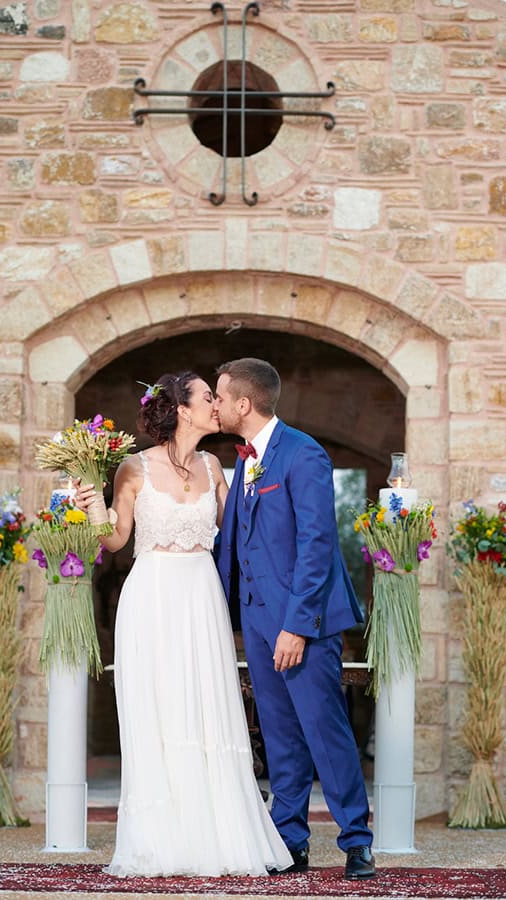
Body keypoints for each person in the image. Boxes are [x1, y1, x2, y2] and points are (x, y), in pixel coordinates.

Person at [76, 372, 292, 878]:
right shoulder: (133, 468)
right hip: (151, 596)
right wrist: (92, 508)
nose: (217, 404)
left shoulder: (215, 465)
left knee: (206, 706)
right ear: (180, 409)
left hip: (201, 596)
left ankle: (218, 837)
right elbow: (115, 540)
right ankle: (161, 841)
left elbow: (241, 528)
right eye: (208, 397)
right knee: (160, 710)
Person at [213, 358, 376, 880]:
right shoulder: (244, 461)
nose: (215, 405)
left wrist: (297, 626)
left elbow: (317, 544)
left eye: (220, 397)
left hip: (303, 622)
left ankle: (357, 842)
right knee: (280, 735)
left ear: (243, 404)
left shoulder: (304, 453)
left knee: (324, 730)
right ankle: (290, 840)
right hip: (257, 620)